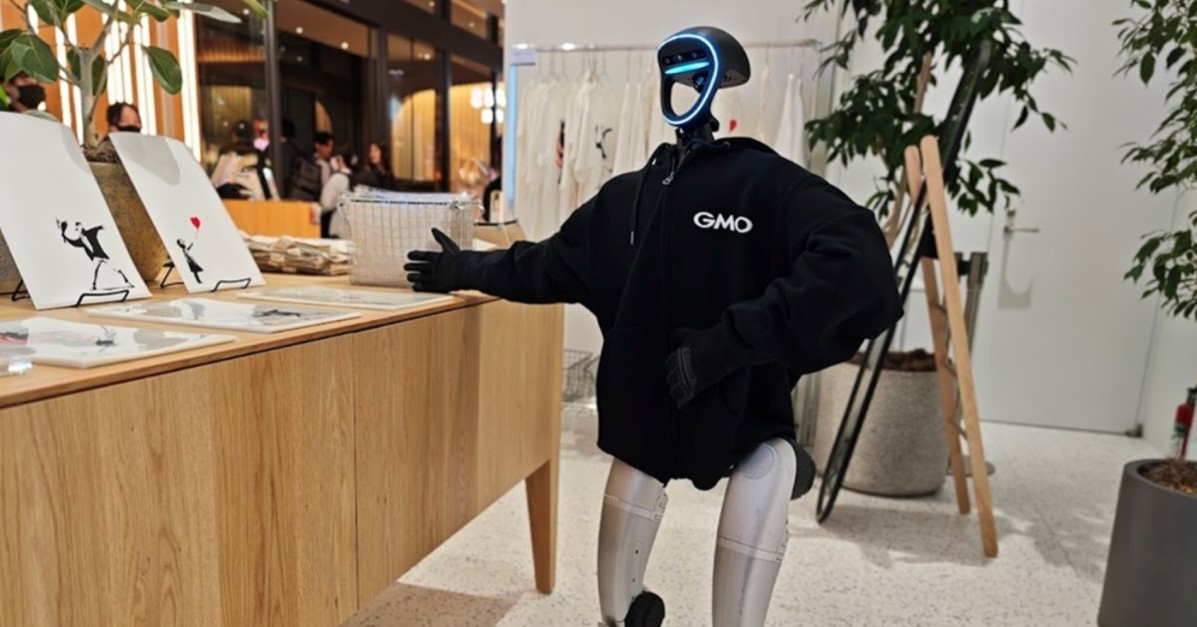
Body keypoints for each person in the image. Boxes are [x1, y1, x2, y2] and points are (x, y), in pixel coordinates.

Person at [407, 27, 903, 627]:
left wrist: (728, 344)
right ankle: (624, 613)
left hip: (742, 414)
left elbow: (858, 261)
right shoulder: (627, 199)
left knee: (762, 473)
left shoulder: (763, 186)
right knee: (630, 511)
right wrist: (463, 268)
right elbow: (546, 264)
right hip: (647, 412)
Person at [319, 146, 356, 239]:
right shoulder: (355, 178)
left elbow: (326, 203)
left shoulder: (337, 178)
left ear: (340, 159)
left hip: (337, 228)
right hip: (352, 228)